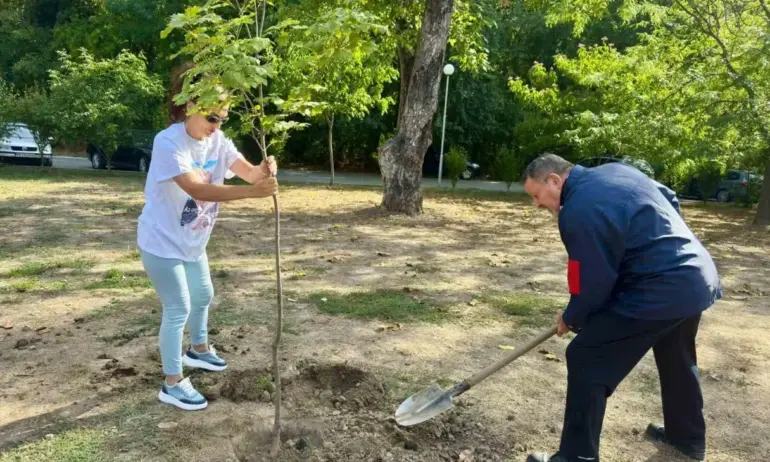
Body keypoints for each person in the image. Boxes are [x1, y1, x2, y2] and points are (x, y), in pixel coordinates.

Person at [521, 154, 722, 462]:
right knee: (676, 356)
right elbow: (668, 197)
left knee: (585, 356)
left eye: (537, 195)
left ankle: (576, 457)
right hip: (694, 277)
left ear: (554, 180)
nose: (537, 204)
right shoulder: (617, 172)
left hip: (661, 288)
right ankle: (687, 439)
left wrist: (573, 316)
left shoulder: (577, 210)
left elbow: (592, 279)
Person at [137, 65, 279, 411]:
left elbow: (247, 171)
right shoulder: (168, 141)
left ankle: (198, 349)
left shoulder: (218, 140)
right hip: (161, 241)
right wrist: (252, 195)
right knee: (178, 307)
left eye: (223, 119)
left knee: (204, 294)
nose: (216, 126)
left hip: (192, 242)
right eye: (211, 117)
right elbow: (197, 188)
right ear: (188, 105)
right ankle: (172, 383)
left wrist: (264, 169)